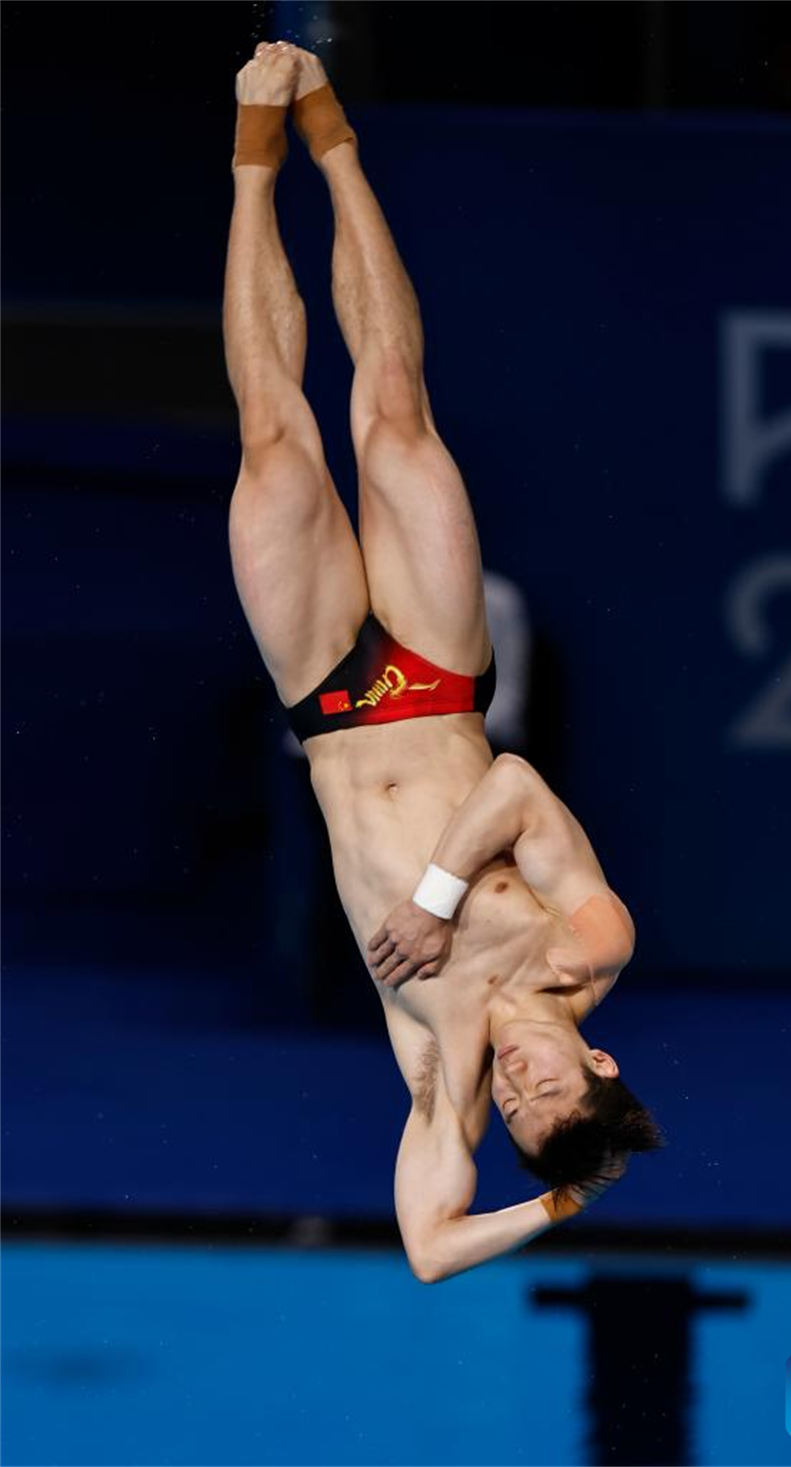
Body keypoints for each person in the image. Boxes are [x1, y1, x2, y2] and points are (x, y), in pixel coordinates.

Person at [224, 41, 662, 1282]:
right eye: (551, 1091)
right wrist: (431, 903)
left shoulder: (440, 1066)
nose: (521, 1088)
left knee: (272, 437)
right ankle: (334, 141)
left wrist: (561, 1197)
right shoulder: (592, 943)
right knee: (395, 408)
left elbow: (428, 1249)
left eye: (521, 1116)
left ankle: (254, 163)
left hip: (329, 702)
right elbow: (515, 784)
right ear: (600, 1059)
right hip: (430, 675)